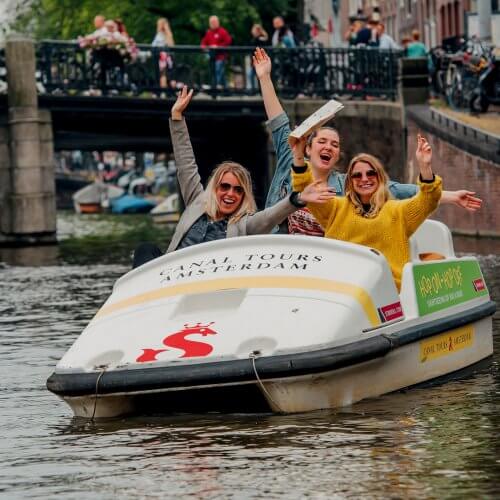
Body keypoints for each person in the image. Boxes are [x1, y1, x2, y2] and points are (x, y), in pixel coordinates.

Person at [252, 47, 482, 236]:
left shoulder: (347, 184)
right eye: (322, 141)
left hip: (322, 260)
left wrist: (451, 196)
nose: (329, 147)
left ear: (337, 156)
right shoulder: (290, 157)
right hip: (277, 250)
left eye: (335, 144)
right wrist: (264, 77)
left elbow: (399, 190)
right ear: (308, 148)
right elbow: (278, 120)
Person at [132, 86, 310, 268]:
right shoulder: (197, 201)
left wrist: (298, 199)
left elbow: (271, 216)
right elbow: (185, 163)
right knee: (146, 248)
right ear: (215, 188)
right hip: (174, 274)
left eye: (238, 190)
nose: (230, 194)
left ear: (243, 196)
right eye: (225, 186)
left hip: (212, 280)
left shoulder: (245, 225)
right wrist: (177, 116)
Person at [292, 135, 441, 289]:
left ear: (380, 178)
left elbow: (428, 200)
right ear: (350, 182)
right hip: (340, 287)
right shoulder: (335, 207)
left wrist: (425, 167)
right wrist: (298, 154)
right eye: (357, 175)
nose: (364, 179)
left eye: (371, 173)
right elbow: (305, 190)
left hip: (385, 291)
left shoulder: (398, 211)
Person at [200, 15, 232, 88]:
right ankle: (226, 90)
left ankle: (216, 89)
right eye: (211, 22)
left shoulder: (222, 31)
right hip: (212, 57)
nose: (213, 24)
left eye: (214, 22)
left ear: (218, 22)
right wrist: (205, 48)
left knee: (218, 71)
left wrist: (218, 46)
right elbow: (203, 43)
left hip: (221, 57)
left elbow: (228, 41)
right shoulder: (209, 32)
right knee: (218, 73)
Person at [152, 18, 175, 89]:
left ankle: (164, 92)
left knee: (164, 74)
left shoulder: (166, 34)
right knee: (162, 74)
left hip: (163, 56)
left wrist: (167, 29)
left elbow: (171, 44)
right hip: (158, 56)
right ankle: (163, 90)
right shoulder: (159, 34)